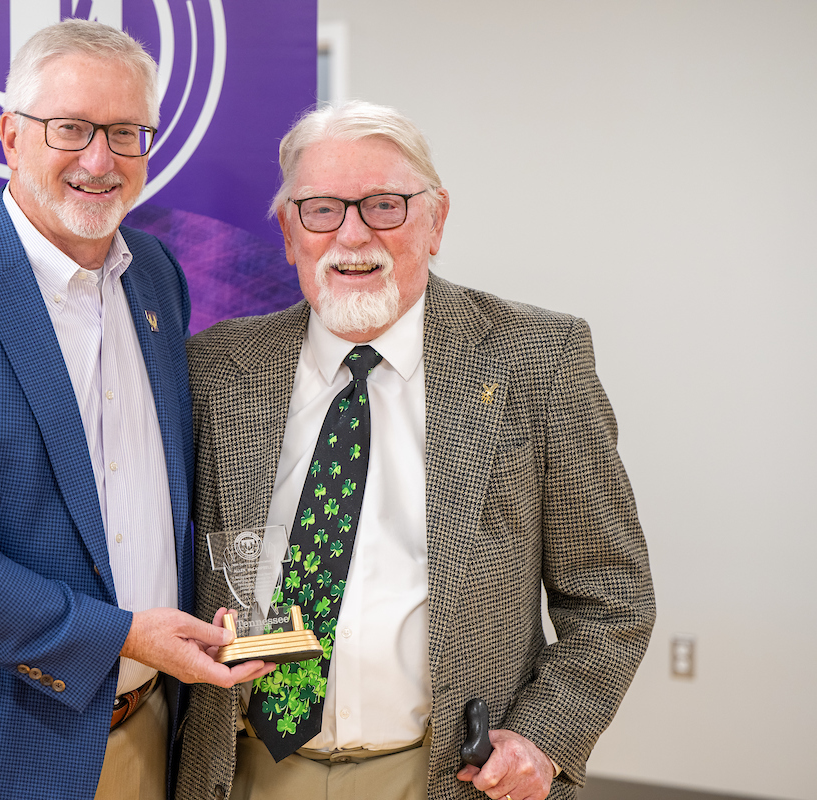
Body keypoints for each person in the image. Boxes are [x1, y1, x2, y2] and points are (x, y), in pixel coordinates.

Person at [0, 20, 270, 800]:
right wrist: (125, 635)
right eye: (71, 129)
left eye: (126, 133)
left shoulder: (156, 277)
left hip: (144, 733)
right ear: (11, 137)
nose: (100, 160)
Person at [175, 101, 655, 800]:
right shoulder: (216, 369)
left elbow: (612, 596)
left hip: (445, 777)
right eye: (321, 210)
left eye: (385, 206)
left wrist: (546, 738)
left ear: (436, 220)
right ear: (287, 232)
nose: (353, 235)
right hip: (246, 770)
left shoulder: (537, 359)